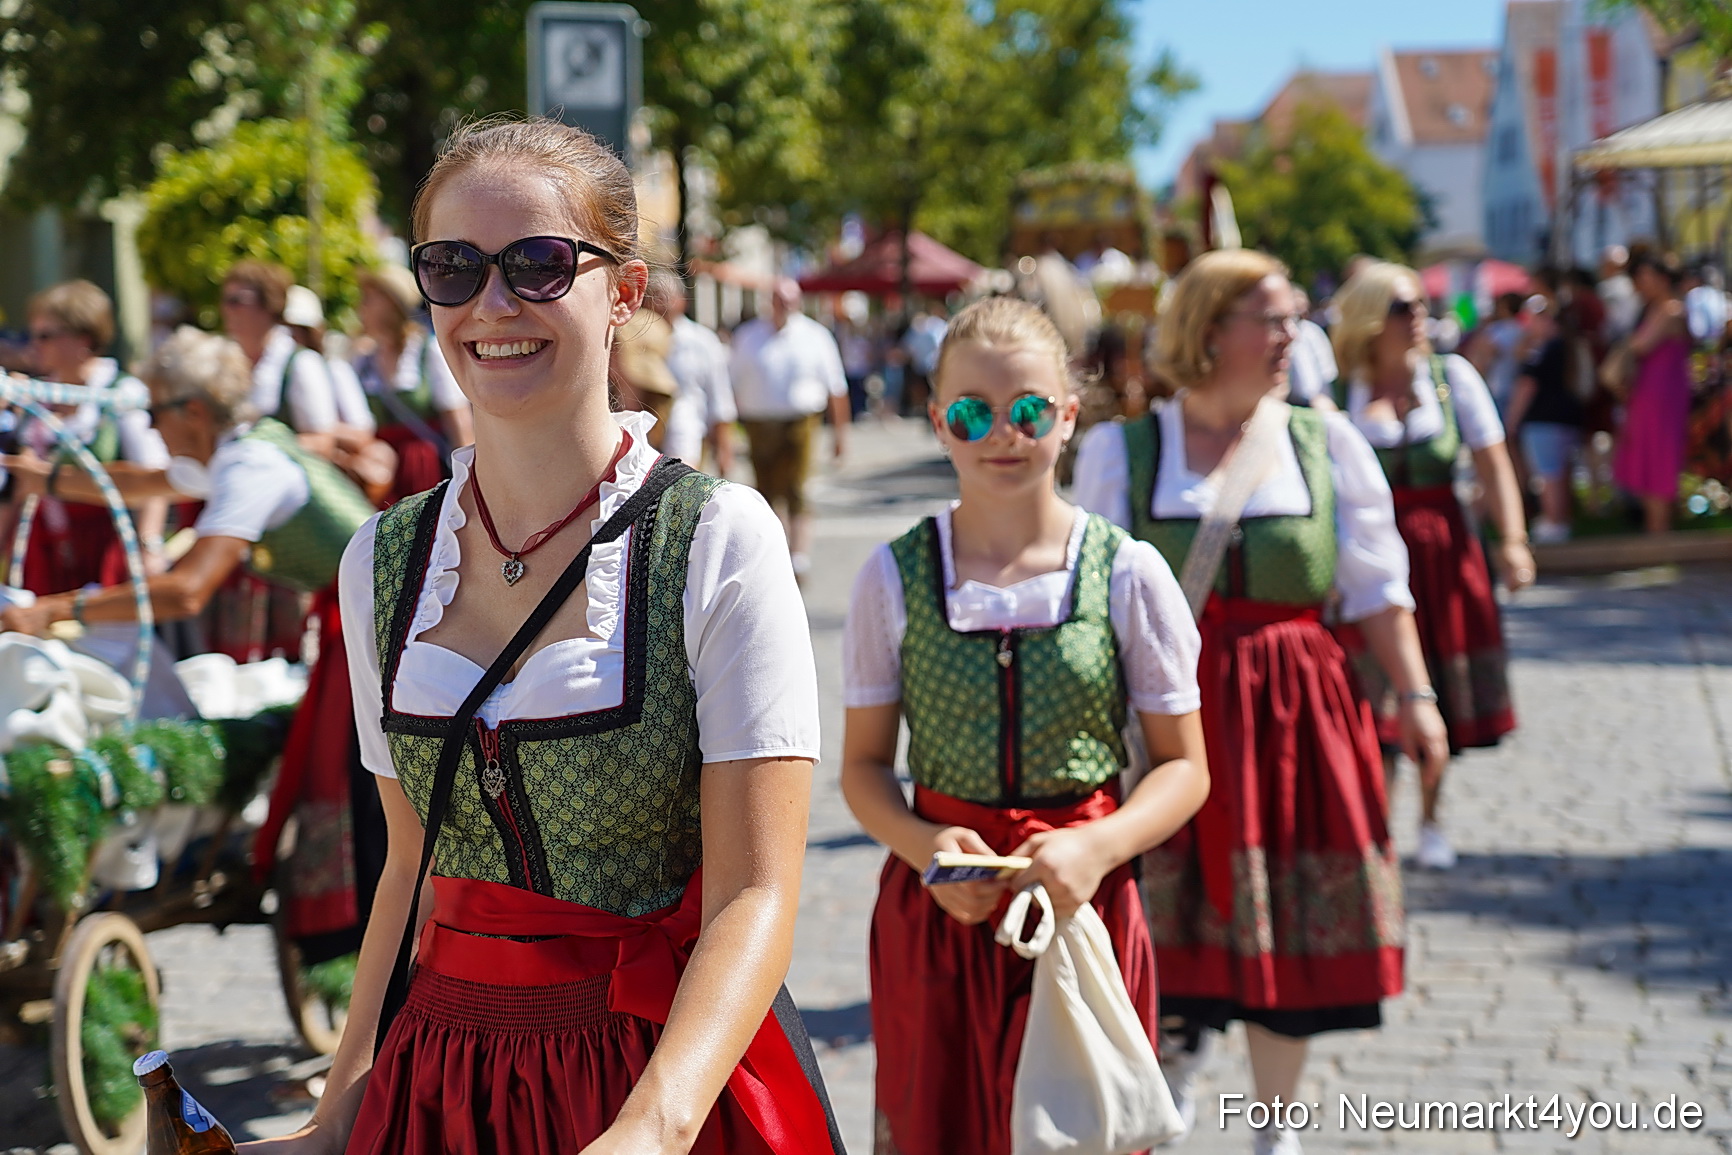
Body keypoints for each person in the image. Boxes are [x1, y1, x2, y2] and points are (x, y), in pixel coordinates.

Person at [240, 116, 841, 1154]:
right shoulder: (380, 563)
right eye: (453, 267)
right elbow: (412, 864)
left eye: (538, 264)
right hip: (444, 1084)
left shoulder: (712, 540)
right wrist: (339, 1108)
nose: (491, 304)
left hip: (656, 1076)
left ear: (626, 291)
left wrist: (650, 1127)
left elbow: (754, 892)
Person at [1072, 249, 1448, 1155]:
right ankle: (1171, 1082)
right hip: (1170, 720)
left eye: (1293, 318)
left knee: (1290, 927)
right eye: (1271, 319)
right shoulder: (1123, 453)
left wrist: (1419, 693)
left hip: (1296, 718)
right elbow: (1087, 601)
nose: (1294, 336)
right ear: (1208, 330)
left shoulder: (1327, 443)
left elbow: (1376, 588)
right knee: (1167, 918)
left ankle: (1274, 1130)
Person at [842, 297, 1209, 1155]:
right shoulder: (891, 576)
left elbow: (1183, 766)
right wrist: (927, 846)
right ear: (939, 422)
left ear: (1069, 416)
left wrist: (1098, 846)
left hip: (1084, 902)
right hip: (940, 910)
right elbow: (863, 768)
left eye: (1029, 410)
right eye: (973, 412)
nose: (1002, 433)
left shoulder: (1129, 573)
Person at [0, 325, 383, 963]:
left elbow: (187, 592)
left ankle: (375, 961)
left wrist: (53, 611)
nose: (151, 425)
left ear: (194, 412)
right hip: (361, 628)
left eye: (155, 412)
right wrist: (39, 478)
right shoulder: (233, 448)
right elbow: (139, 483)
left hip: (385, 633)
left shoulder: (250, 465)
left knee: (360, 797)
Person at [1329, 262, 1532, 871]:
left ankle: (1432, 818)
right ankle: (1380, 824)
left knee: (1434, 684)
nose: (1418, 317)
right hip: (1366, 557)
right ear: (1369, 319)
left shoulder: (1452, 379)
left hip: (1443, 556)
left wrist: (1514, 540)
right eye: (1402, 308)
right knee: (1372, 692)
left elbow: (1493, 464)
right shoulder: (1341, 393)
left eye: (1419, 305)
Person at [10, 280, 171, 590]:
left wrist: (148, 544)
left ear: (83, 339)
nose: (34, 344)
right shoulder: (38, 396)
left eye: (46, 335)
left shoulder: (118, 392)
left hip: (105, 546)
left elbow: (154, 475)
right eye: (32, 334)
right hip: (44, 549)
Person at [729, 277, 849, 578]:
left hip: (800, 420)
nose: (784, 307)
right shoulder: (748, 336)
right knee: (765, 491)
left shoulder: (814, 336)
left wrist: (839, 436)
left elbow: (836, 388)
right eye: (779, 300)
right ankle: (772, 553)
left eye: (789, 301)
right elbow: (731, 384)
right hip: (758, 423)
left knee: (797, 489)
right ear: (770, 302)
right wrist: (729, 434)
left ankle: (798, 556)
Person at [352, 263, 475, 503]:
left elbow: (458, 422)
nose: (360, 308)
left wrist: (468, 483)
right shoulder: (363, 361)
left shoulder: (427, 352)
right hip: (381, 472)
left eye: (369, 299)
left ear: (391, 303)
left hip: (423, 468)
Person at [1613, 250, 1693, 535]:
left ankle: (1659, 533)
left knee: (1659, 456)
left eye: (1645, 277)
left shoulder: (1671, 309)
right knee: (1645, 455)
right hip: (1646, 392)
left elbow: (1641, 345)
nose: (1640, 284)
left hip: (1663, 394)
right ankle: (1654, 531)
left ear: (1662, 278)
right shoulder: (1649, 309)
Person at [1507, 298, 1586, 544]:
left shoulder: (1545, 349)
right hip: (1568, 419)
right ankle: (1560, 521)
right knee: (1560, 472)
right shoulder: (1568, 346)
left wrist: (1511, 421)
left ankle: (1554, 523)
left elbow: (1527, 384)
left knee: (1548, 474)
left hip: (1544, 420)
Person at [648, 270, 736, 473]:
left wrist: (724, 450)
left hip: (690, 439)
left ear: (681, 301)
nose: (659, 304)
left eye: (664, 297)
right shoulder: (633, 340)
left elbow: (720, 399)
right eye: (653, 297)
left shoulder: (702, 342)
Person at [1283, 286, 1337, 407]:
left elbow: (1327, 372)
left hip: (1318, 401)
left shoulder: (1313, 331)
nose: (1301, 311)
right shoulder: (1283, 334)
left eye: (1303, 306)